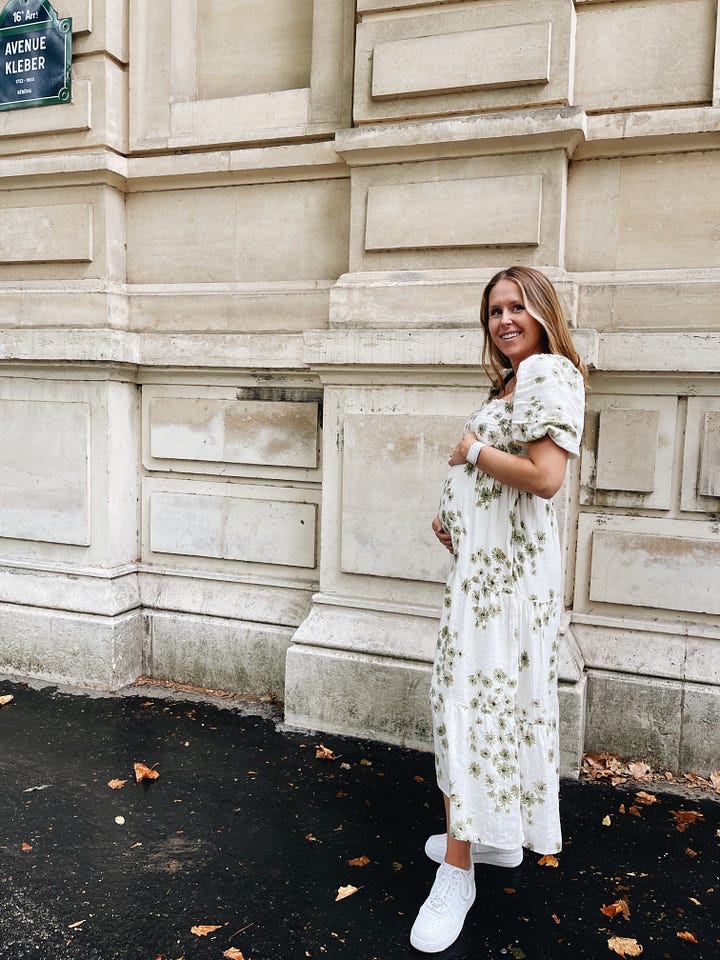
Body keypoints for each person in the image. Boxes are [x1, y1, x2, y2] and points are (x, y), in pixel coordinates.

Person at [410, 267, 587, 953]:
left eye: (517, 307)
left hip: (505, 589)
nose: (505, 320)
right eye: (494, 311)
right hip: (485, 574)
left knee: (469, 709)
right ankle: (493, 840)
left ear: (543, 312)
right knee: (483, 707)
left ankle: (459, 871)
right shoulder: (514, 382)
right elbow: (508, 484)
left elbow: (545, 478)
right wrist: (458, 515)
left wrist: (471, 452)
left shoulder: (548, 372)